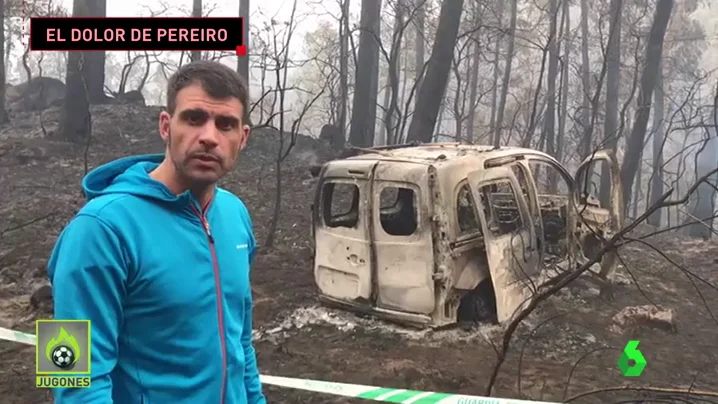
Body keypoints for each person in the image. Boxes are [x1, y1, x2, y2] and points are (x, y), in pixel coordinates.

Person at [47, 60, 266, 404]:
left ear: (243, 137)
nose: (209, 137)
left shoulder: (235, 214)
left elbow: (240, 342)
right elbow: (69, 373)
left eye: (226, 124)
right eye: (194, 118)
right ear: (166, 125)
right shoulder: (98, 230)